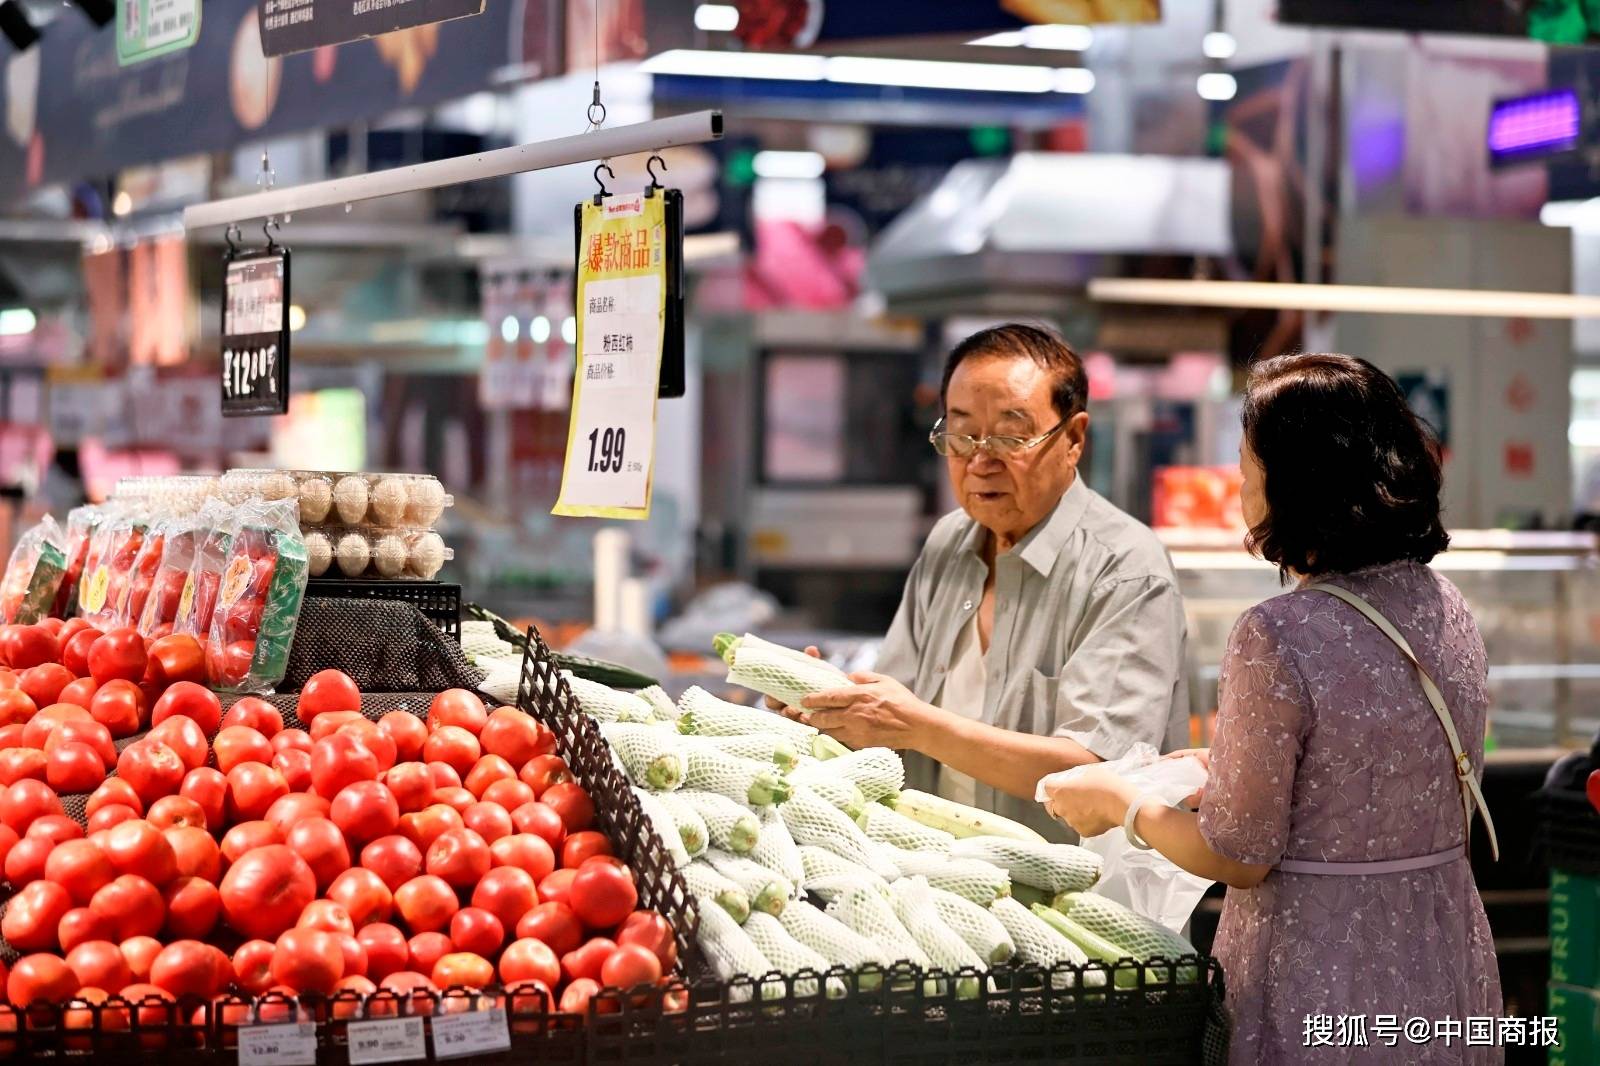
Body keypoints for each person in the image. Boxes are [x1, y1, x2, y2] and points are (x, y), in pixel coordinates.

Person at [1043, 353, 1502, 1064]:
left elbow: (1239, 854)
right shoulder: (1446, 604)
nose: (1239, 480)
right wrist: (1225, 767)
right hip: (1440, 946)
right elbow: (1374, 771)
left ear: (1296, 479)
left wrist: (1119, 804)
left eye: (1248, 460)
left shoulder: (1278, 633)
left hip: (1322, 968)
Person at [785, 324, 1189, 841]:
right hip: (940, 876)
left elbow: (1092, 769)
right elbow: (891, 722)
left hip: (1072, 899)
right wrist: (825, 709)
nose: (979, 461)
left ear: (1073, 438)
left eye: (1010, 436)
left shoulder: (1125, 568)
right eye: (961, 434)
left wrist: (917, 725)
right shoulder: (950, 542)